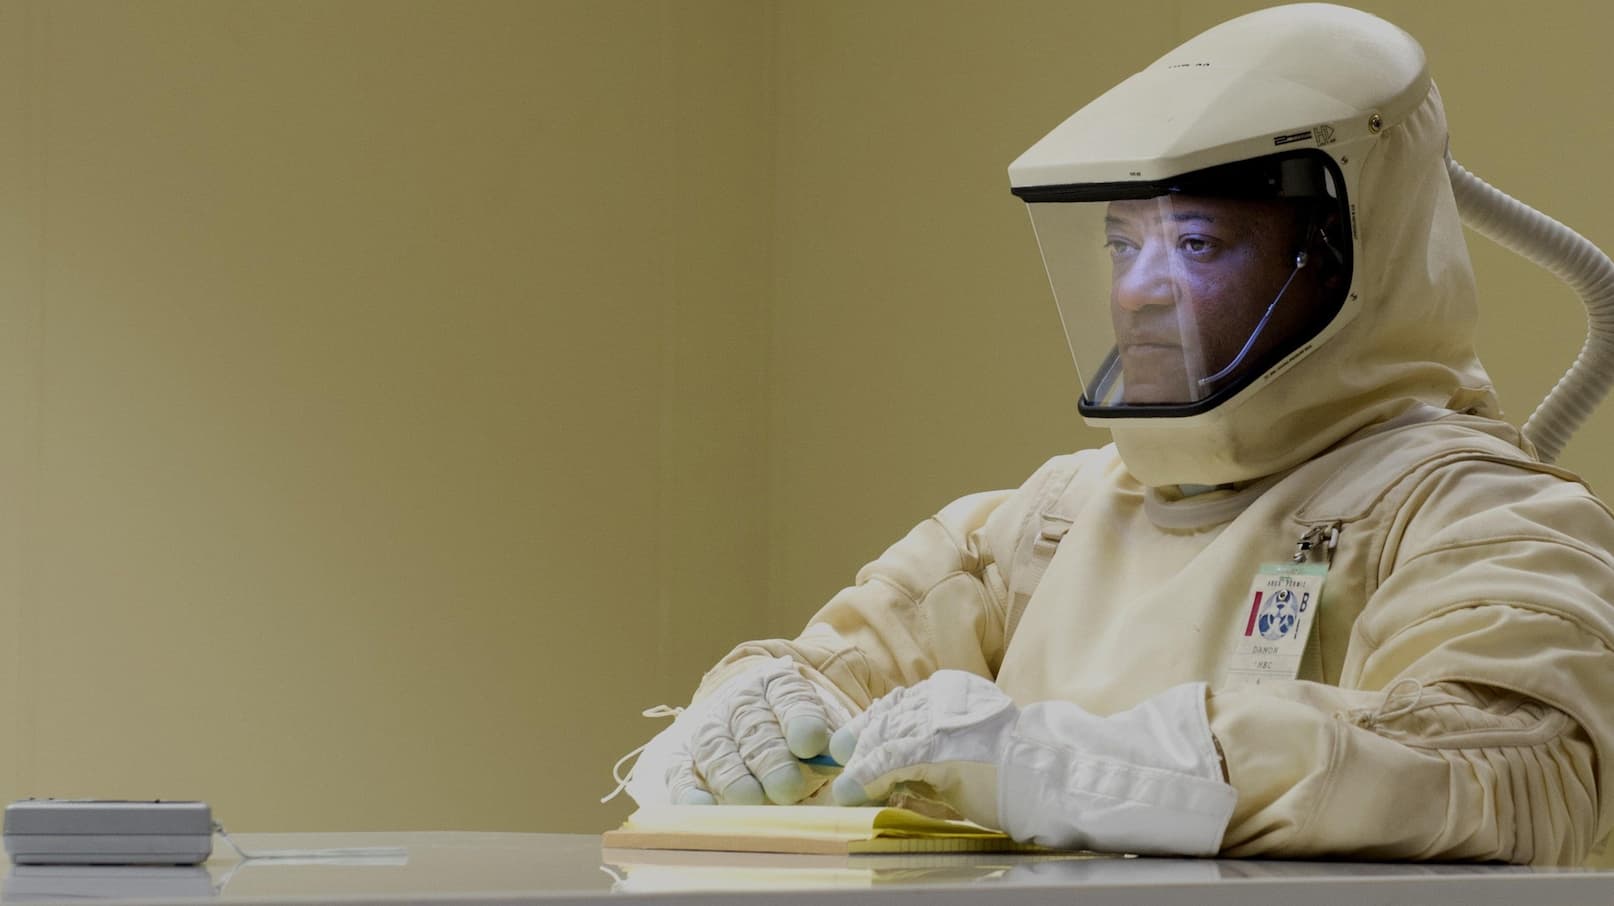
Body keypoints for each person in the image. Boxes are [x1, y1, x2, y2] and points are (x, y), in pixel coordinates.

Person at [619, 4, 1614, 864]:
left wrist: (1072, 769)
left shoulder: (1488, 516)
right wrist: (756, 714)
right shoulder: (1042, 524)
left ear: (1338, 255)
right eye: (1121, 242)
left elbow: (1511, 770)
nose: (1138, 292)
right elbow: (836, 669)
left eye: (1196, 244)